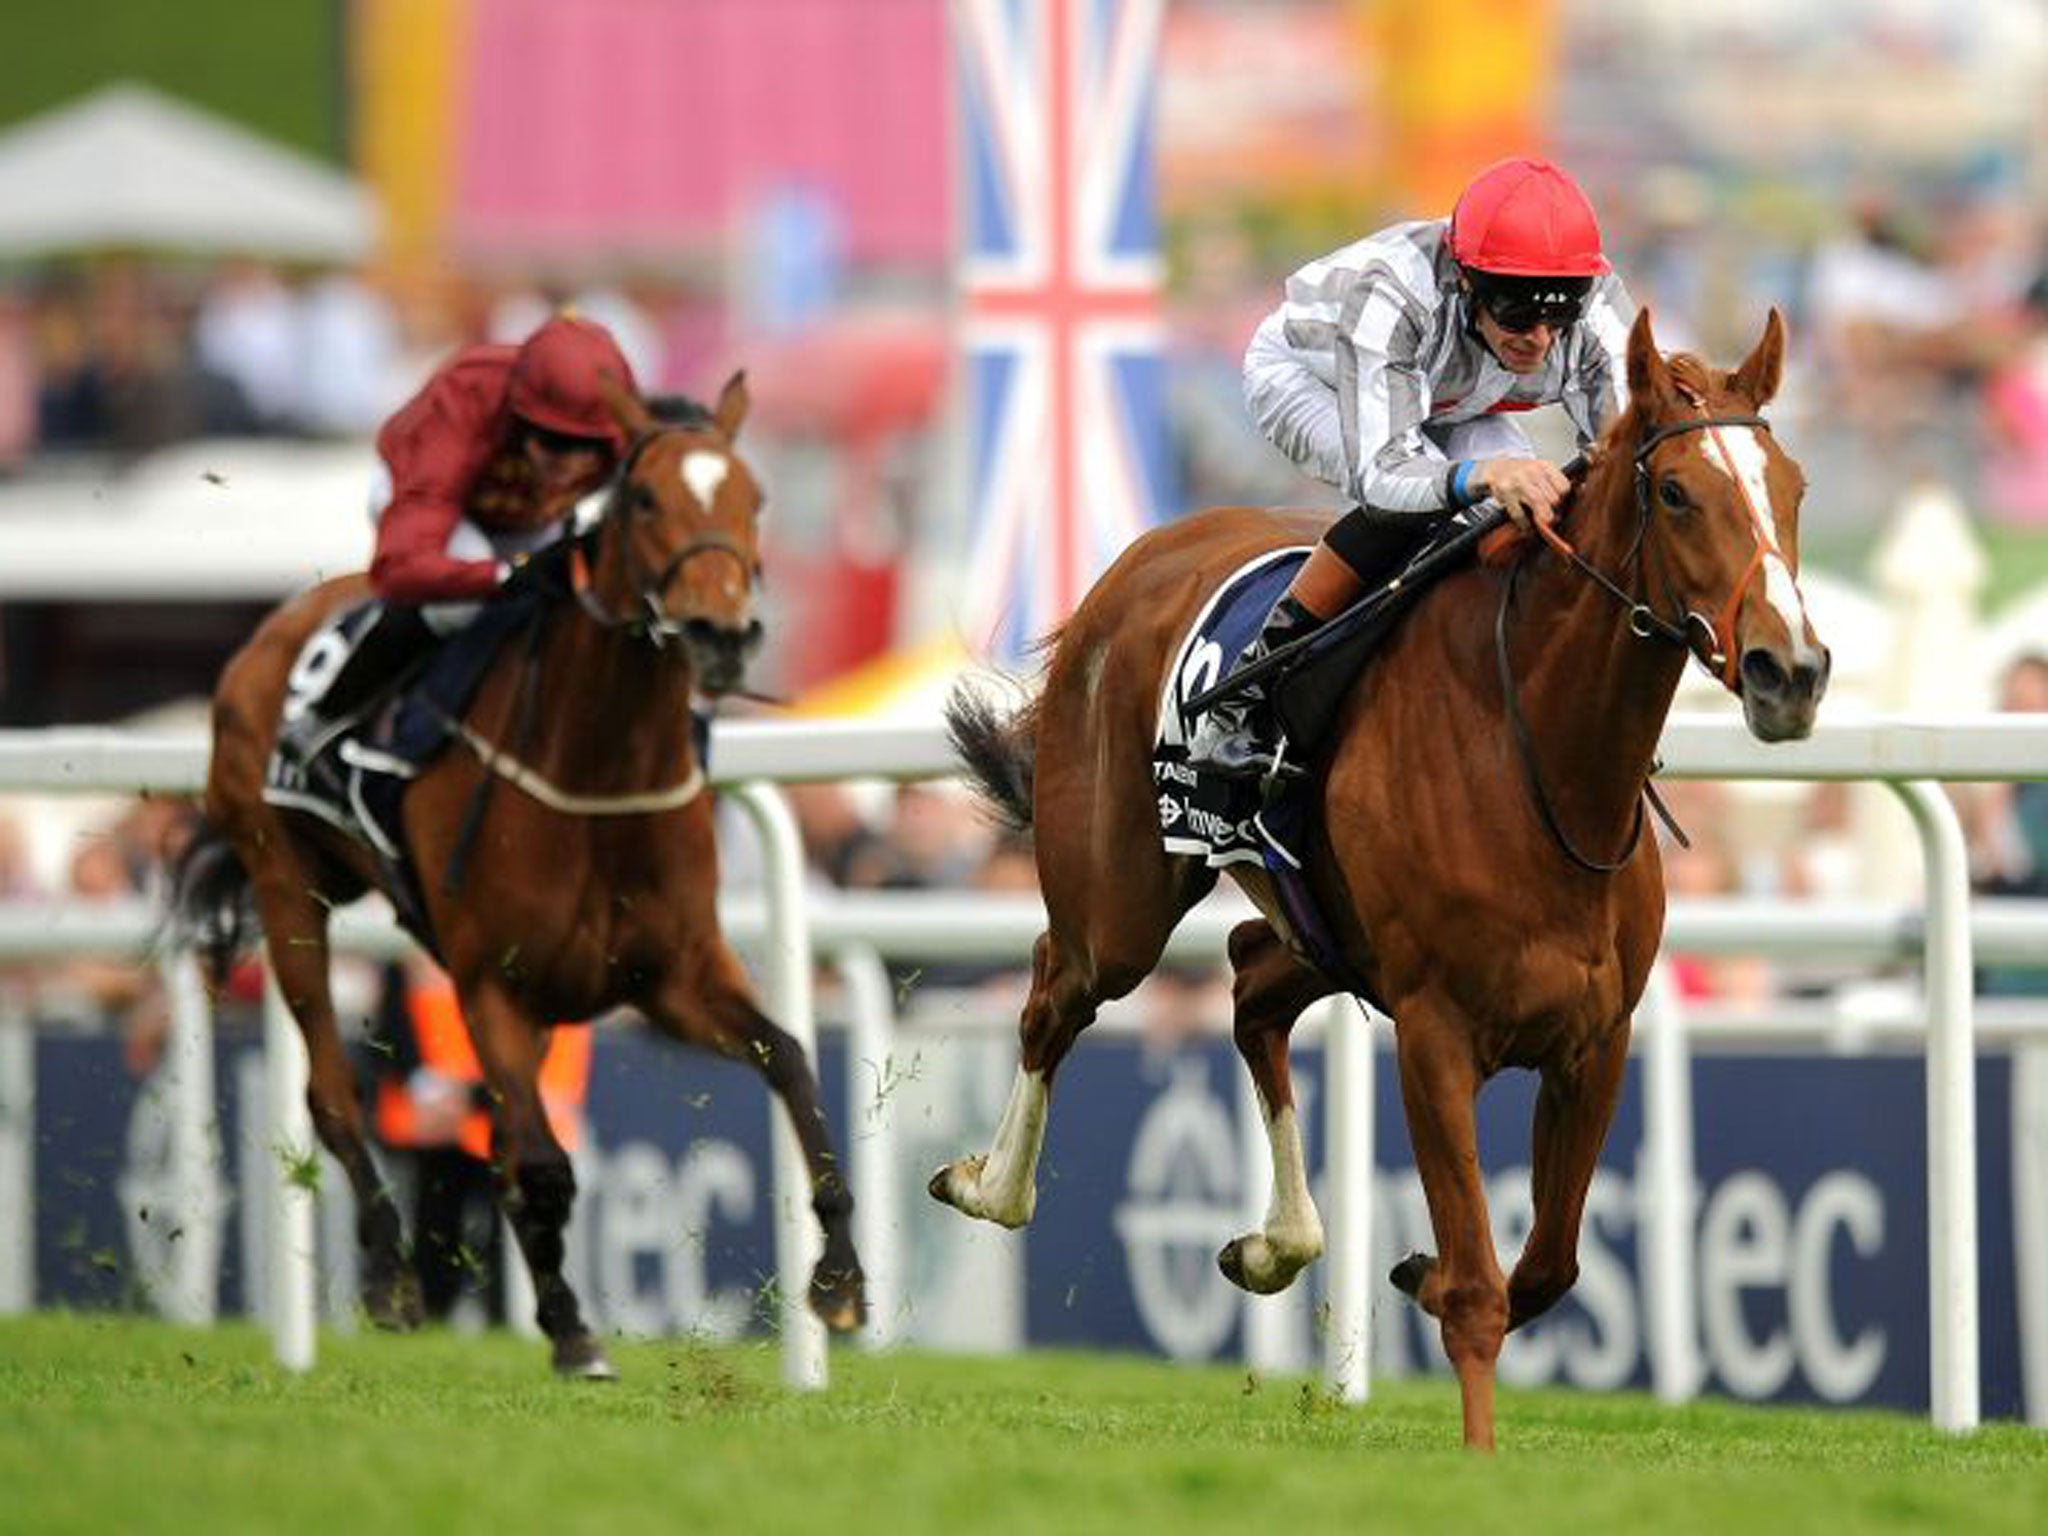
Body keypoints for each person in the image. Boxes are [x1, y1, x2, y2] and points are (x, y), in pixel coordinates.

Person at [1186, 157, 1635, 779]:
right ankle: (1244, 701)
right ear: (1468, 282)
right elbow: (1386, 476)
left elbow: (1630, 452)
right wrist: (1476, 476)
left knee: (1532, 507)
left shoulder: (1596, 307)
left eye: (1558, 318)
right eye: (1517, 315)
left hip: (1453, 396)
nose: (1540, 339)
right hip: (1311, 379)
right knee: (1425, 504)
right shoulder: (1393, 290)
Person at [275, 311, 639, 774]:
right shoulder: (465, 402)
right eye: (551, 442)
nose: (567, 465)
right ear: (521, 417)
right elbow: (400, 568)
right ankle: (330, 716)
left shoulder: (621, 419)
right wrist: (507, 574)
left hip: (525, 516)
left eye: (583, 448)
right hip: (432, 499)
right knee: (459, 604)